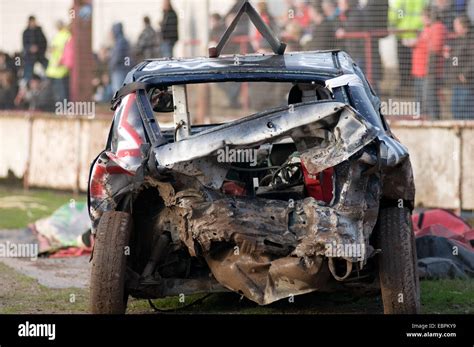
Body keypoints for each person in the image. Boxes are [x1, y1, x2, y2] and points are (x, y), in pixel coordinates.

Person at [411, 8, 447, 119]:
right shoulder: (427, 29)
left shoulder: (437, 28)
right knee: (422, 97)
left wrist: (429, 70)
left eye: (422, 16)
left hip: (429, 70)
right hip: (421, 70)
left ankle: (433, 120)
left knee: (430, 97)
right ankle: (423, 118)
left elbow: (434, 49)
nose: (421, 19)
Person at [388, 0, 426, 91]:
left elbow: (394, 15)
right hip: (417, 33)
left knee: (403, 61)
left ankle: (405, 83)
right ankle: (415, 83)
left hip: (403, 33)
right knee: (416, 61)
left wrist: (392, 25)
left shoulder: (401, 1)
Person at [444, 15, 474, 119]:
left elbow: (472, 60)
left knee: (466, 109)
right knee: (455, 110)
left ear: (463, 26)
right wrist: (449, 56)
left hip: (466, 82)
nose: (454, 26)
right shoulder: (458, 39)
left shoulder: (470, 39)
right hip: (456, 80)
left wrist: (465, 74)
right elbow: (455, 58)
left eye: (456, 24)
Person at [45, 20, 71, 104]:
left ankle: (63, 108)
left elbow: (65, 51)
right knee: (58, 91)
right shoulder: (59, 35)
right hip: (54, 68)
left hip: (60, 68)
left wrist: (60, 61)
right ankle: (60, 108)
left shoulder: (66, 36)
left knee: (61, 91)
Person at [22, 16, 48, 83]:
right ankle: (26, 84)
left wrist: (38, 49)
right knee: (28, 72)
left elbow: (44, 43)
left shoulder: (39, 31)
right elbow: (24, 45)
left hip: (40, 55)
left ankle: (49, 80)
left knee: (48, 68)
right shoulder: (25, 32)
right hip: (30, 56)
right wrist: (30, 48)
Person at [109, 23, 131, 92]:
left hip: (119, 70)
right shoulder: (122, 41)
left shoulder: (120, 42)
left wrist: (111, 66)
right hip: (122, 70)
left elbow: (117, 57)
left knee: (118, 92)